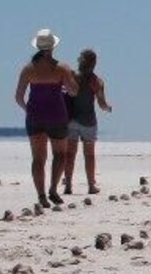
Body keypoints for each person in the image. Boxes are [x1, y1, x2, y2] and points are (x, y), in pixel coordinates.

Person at [15, 29, 79, 208]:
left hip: (35, 117)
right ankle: (52, 190)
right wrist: (71, 79)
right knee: (60, 154)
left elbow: (19, 97)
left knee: (38, 158)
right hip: (57, 115)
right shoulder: (61, 68)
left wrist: (29, 110)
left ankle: (41, 195)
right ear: (53, 47)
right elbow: (73, 91)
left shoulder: (28, 69)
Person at [61, 49, 112, 196]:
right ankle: (91, 186)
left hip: (71, 120)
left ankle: (68, 185)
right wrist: (108, 108)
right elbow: (102, 104)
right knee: (89, 155)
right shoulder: (97, 81)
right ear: (94, 63)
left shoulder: (73, 76)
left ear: (80, 61)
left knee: (70, 154)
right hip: (88, 121)